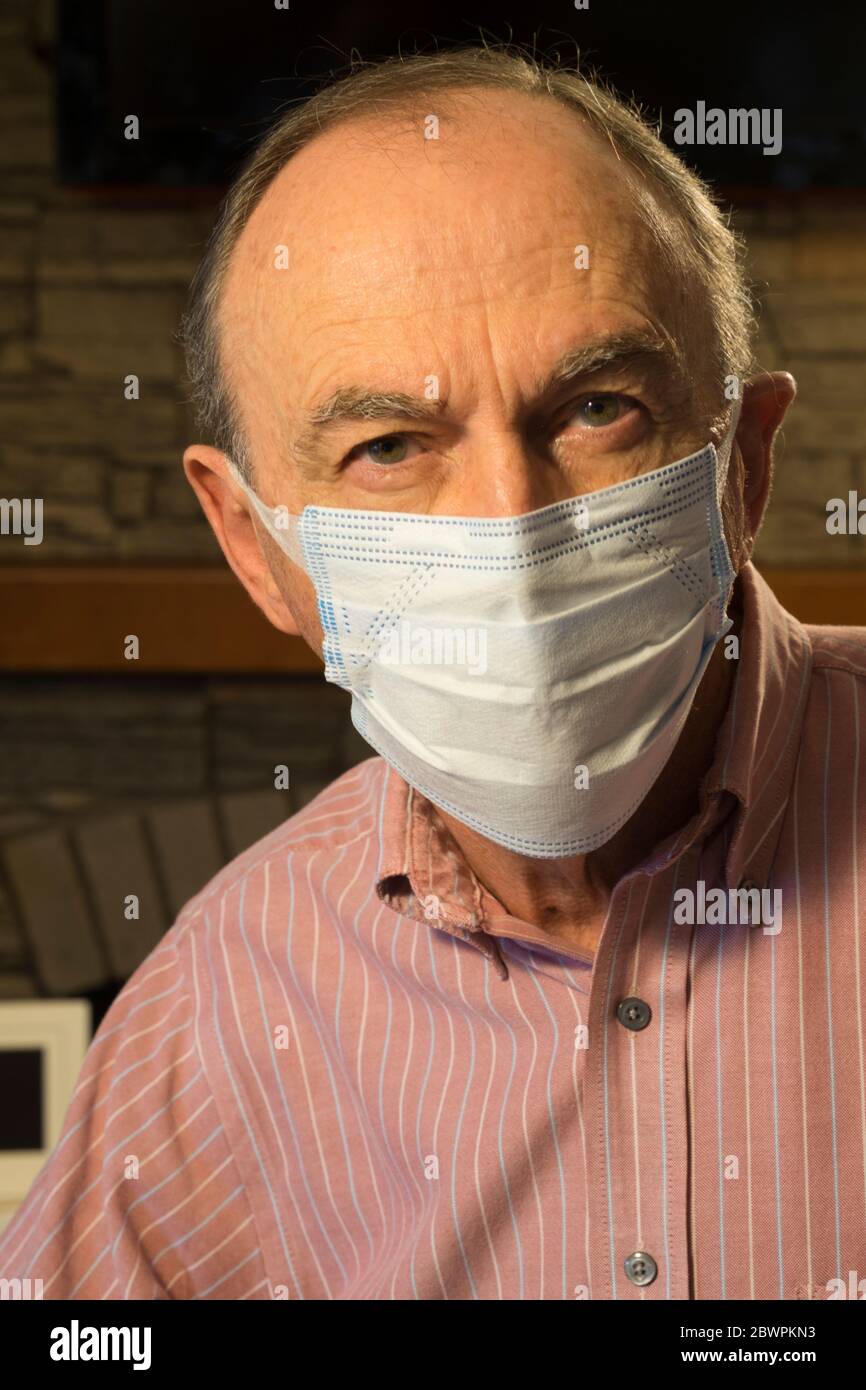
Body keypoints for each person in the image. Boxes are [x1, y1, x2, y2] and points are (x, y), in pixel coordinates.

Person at [2, 45, 864, 1301]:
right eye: (390, 445)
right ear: (255, 549)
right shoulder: (217, 1001)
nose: (510, 530)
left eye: (597, 408)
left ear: (744, 461)